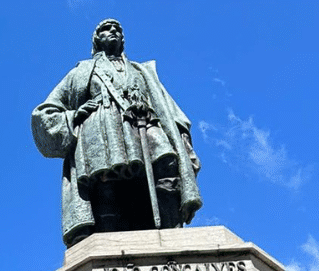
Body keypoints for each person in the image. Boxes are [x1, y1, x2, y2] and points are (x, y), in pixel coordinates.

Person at [32, 19, 202, 247]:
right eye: (106, 29)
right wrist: (74, 116)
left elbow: (170, 109)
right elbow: (44, 112)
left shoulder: (142, 71)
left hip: (145, 124)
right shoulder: (81, 72)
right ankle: (108, 243)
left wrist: (181, 135)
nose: (113, 31)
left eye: (118, 30)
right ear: (96, 39)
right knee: (107, 181)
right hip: (102, 131)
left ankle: (172, 235)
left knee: (167, 162)